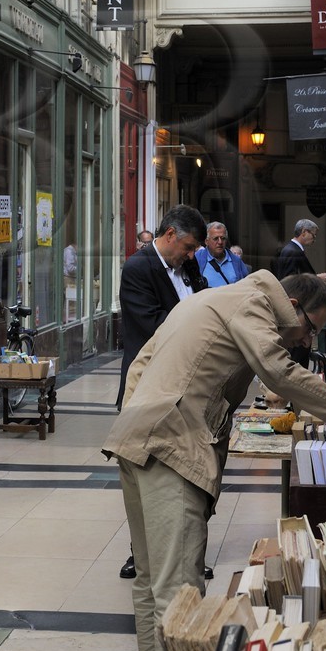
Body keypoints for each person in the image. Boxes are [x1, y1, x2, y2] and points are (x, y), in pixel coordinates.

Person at [104, 271, 326, 651]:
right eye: (310, 327)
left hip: (138, 437)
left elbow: (142, 362)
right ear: (291, 305)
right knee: (179, 594)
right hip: (170, 447)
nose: (308, 339)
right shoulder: (254, 303)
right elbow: (278, 370)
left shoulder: (216, 297)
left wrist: (142, 420)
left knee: (150, 585)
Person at [116, 205, 208, 580]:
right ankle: (141, 554)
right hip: (151, 387)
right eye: (188, 247)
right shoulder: (138, 268)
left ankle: (186, 553)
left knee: (185, 476)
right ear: (169, 234)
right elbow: (153, 325)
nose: (191, 254)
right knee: (149, 475)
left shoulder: (189, 265)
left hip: (188, 387)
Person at [194, 220, 250, 285]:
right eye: (216, 238)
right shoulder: (197, 259)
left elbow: (246, 285)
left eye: (223, 238)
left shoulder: (236, 261)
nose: (220, 242)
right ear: (206, 241)